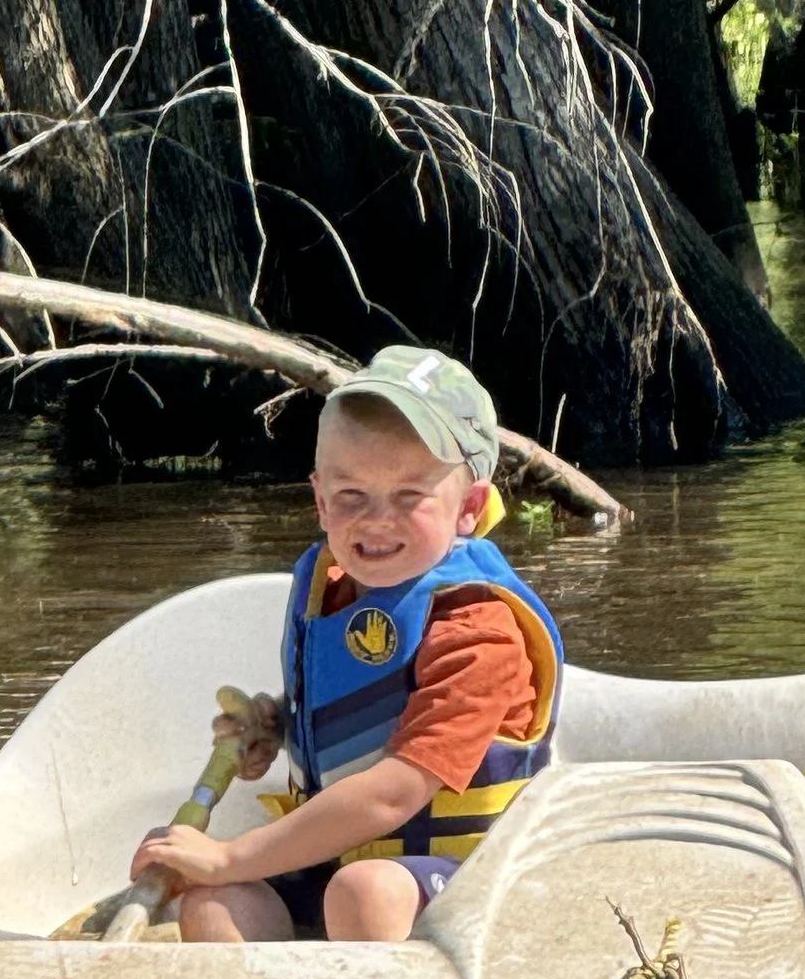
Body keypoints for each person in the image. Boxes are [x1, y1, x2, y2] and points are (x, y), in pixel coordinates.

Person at [132, 345, 563, 943]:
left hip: (465, 875)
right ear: (320, 500)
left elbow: (394, 794)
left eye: (409, 496)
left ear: (468, 508)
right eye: (351, 495)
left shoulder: (477, 628)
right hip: (338, 858)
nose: (377, 520)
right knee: (214, 903)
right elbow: (356, 715)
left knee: (363, 893)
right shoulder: (330, 590)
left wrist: (230, 854)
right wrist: (277, 727)